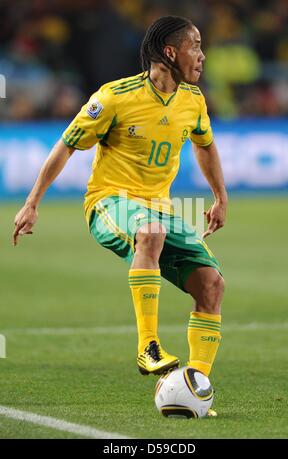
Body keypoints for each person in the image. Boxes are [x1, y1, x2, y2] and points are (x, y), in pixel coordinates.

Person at [13, 16, 227, 385]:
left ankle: (196, 386)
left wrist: (220, 197)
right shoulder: (115, 97)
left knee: (211, 284)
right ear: (170, 52)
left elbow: (205, 145)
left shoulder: (193, 101)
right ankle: (148, 347)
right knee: (151, 231)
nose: (202, 55)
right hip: (109, 202)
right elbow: (66, 145)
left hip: (159, 207)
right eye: (195, 46)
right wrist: (32, 202)